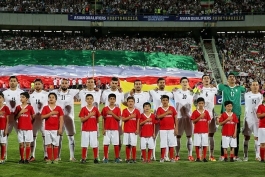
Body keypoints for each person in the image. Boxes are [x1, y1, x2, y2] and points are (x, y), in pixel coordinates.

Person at [218, 73, 245, 161]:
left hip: (236, 114)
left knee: (236, 135)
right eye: (230, 77)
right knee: (224, 135)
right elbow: (213, 87)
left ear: (235, 79)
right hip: (225, 114)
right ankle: (223, 155)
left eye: (233, 77)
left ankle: (235, 156)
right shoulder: (223, 87)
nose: (232, 78)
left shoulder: (240, 88)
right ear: (227, 79)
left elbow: (246, 90)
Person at [53, 78, 79, 161]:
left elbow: (83, 92)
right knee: (59, 137)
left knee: (71, 137)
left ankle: (72, 157)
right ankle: (57, 156)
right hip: (59, 118)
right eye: (62, 83)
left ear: (68, 84)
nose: (64, 84)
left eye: (65, 83)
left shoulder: (72, 92)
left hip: (69, 119)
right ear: (60, 84)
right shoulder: (55, 93)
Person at [149, 78, 173, 161]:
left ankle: (166, 156)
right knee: (154, 136)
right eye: (160, 82)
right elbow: (148, 92)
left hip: (165, 118)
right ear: (157, 83)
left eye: (163, 82)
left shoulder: (169, 93)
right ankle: (152, 155)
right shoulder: (153, 92)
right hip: (156, 117)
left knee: (165, 138)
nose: (162, 84)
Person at [195, 75, 218, 161]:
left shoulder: (214, 89)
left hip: (211, 115)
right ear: (202, 80)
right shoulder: (198, 89)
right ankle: (200, 155)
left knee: (211, 135)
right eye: (204, 78)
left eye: (208, 78)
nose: (206, 79)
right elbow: (194, 100)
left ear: (210, 80)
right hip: (201, 115)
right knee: (200, 135)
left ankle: (211, 155)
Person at [101, 77, 124, 160]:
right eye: (113, 83)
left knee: (118, 137)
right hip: (108, 118)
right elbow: (102, 101)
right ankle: (105, 156)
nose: (114, 85)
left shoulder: (120, 92)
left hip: (117, 117)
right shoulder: (105, 92)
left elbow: (123, 101)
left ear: (117, 83)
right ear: (110, 83)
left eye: (115, 83)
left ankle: (118, 156)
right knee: (106, 138)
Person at [79, 78, 101, 159]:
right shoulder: (82, 92)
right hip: (84, 121)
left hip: (94, 121)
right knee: (84, 140)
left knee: (95, 140)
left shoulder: (99, 91)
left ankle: (96, 156)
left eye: (92, 82)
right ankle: (83, 157)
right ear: (86, 83)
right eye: (89, 82)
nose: (90, 83)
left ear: (94, 83)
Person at [173, 77, 194, 161]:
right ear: (180, 83)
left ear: (188, 83)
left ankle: (190, 155)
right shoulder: (176, 92)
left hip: (189, 117)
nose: (185, 83)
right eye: (183, 82)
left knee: (189, 136)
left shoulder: (192, 93)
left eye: (186, 82)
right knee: (178, 137)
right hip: (179, 117)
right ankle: (177, 155)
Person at [3, 76, 23, 159]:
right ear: (9, 82)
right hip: (8, 117)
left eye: (14, 81)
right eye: (11, 81)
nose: (12, 82)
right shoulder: (4, 93)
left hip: (19, 117)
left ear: (17, 82)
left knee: (21, 136)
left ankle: (22, 157)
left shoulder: (21, 92)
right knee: (5, 135)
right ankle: (3, 156)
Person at [29, 79, 49, 162]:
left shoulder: (46, 94)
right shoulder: (30, 95)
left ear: (42, 85)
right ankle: (32, 155)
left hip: (44, 118)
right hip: (34, 119)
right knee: (33, 137)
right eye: (36, 84)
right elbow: (29, 107)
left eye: (39, 84)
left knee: (45, 137)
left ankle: (46, 155)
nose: (37, 85)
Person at [41, 93, 64, 164]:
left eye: (53, 97)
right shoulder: (45, 108)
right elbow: (42, 117)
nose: (51, 98)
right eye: (50, 97)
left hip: (56, 129)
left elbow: (61, 119)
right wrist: (51, 113)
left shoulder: (59, 108)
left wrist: (60, 128)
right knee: (49, 144)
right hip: (48, 129)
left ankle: (56, 158)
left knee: (56, 144)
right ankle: (50, 158)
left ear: (56, 99)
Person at [242, 81, 262, 161]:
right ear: (250, 86)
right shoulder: (246, 95)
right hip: (248, 118)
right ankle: (245, 156)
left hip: (257, 119)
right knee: (246, 137)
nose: (255, 86)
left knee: (257, 138)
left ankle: (257, 155)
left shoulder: (261, 96)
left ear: (259, 86)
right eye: (253, 85)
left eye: (256, 85)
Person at [156, 95, 178, 163]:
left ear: (168, 101)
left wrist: (176, 128)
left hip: (171, 129)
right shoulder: (159, 109)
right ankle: (162, 157)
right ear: (161, 101)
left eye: (166, 100)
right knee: (163, 144)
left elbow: (175, 118)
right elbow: (158, 117)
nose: (165, 101)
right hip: (162, 129)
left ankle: (172, 157)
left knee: (171, 144)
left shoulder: (172, 108)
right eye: (163, 100)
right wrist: (167, 113)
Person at [14, 92, 35, 164]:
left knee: (28, 144)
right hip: (20, 127)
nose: (21, 98)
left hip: (28, 128)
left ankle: (27, 159)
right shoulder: (18, 107)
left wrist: (29, 123)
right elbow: (15, 118)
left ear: (27, 99)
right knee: (21, 144)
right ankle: (22, 159)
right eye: (21, 97)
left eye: (23, 97)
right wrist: (20, 112)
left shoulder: (30, 107)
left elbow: (33, 117)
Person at [101, 93, 121, 163]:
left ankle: (117, 158)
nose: (112, 100)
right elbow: (103, 119)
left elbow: (119, 118)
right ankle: (106, 158)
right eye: (111, 99)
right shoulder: (105, 109)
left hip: (115, 129)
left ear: (115, 100)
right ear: (108, 100)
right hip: (107, 129)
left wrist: (112, 113)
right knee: (106, 144)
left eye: (113, 99)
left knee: (116, 144)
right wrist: (103, 129)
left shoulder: (118, 109)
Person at [191, 97, 211, 162]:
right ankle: (198, 157)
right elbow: (193, 121)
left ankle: (204, 157)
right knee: (197, 144)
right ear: (197, 104)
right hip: (197, 131)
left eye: (202, 103)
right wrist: (200, 117)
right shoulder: (195, 112)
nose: (201, 104)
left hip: (205, 131)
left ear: (204, 104)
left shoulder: (206, 112)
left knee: (205, 144)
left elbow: (208, 122)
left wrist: (208, 131)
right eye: (199, 103)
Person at [122, 96, 140, 163]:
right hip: (126, 130)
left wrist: (137, 129)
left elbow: (138, 121)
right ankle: (127, 158)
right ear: (127, 102)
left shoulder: (137, 111)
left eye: (132, 101)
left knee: (134, 145)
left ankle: (134, 158)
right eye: (129, 101)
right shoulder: (124, 110)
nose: (130, 103)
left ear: (134, 102)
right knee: (127, 145)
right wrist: (131, 117)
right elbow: (123, 119)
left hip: (134, 131)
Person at [0, 92, 10, 164]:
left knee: (3, 143)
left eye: (0, 97)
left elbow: (7, 120)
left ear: (3, 98)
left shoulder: (6, 108)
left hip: (2, 129)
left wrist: (6, 129)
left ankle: (2, 158)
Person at [257, 93, 265, 162]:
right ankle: (262, 158)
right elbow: (258, 116)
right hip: (262, 127)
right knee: (262, 143)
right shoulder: (260, 106)